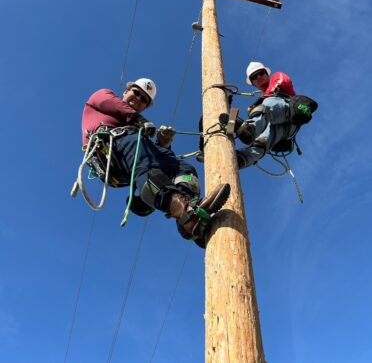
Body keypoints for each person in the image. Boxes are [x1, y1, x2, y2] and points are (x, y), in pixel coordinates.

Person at [81, 78, 230, 247]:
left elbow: (156, 159)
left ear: (145, 106)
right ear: (126, 91)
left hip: (132, 154)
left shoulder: (137, 132)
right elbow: (106, 101)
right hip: (108, 151)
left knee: (183, 167)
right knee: (144, 159)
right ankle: (185, 213)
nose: (138, 99)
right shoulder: (103, 96)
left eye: (144, 99)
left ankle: (189, 216)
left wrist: (162, 143)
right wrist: (139, 119)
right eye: (136, 93)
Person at [232, 61, 298, 169]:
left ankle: (250, 129)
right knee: (262, 141)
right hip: (281, 129)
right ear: (253, 84)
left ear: (267, 75)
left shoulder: (276, 77)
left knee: (265, 107)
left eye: (261, 73)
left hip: (288, 113)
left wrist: (261, 101)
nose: (258, 77)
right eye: (254, 77)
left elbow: (283, 81)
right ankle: (241, 159)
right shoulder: (263, 100)